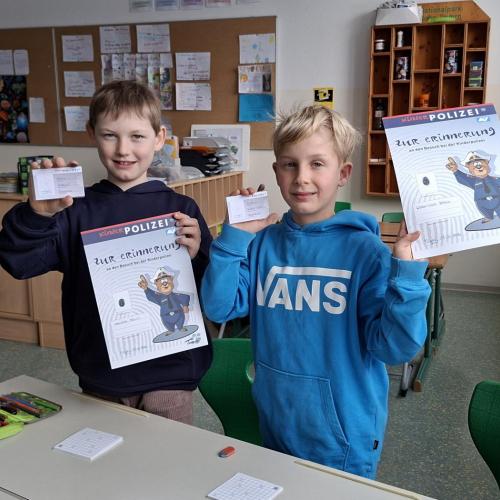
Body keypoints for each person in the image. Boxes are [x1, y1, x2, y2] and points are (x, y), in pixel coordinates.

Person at [201, 105, 430, 478]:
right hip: (277, 418)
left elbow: (395, 349)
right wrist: (233, 241)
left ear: (343, 174)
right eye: (289, 165)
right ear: (276, 171)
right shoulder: (262, 244)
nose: (301, 178)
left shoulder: (366, 252)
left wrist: (407, 275)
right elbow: (219, 307)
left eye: (317, 164)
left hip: (344, 434)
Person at [0, 81, 212, 424]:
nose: (123, 149)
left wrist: (199, 252)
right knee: (106, 453)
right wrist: (37, 214)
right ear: (92, 133)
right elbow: (19, 262)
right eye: (110, 135)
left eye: (137, 136)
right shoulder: (72, 209)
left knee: (170, 454)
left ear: (159, 138)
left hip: (171, 373)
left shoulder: (181, 209)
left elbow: (210, 288)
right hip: (103, 373)